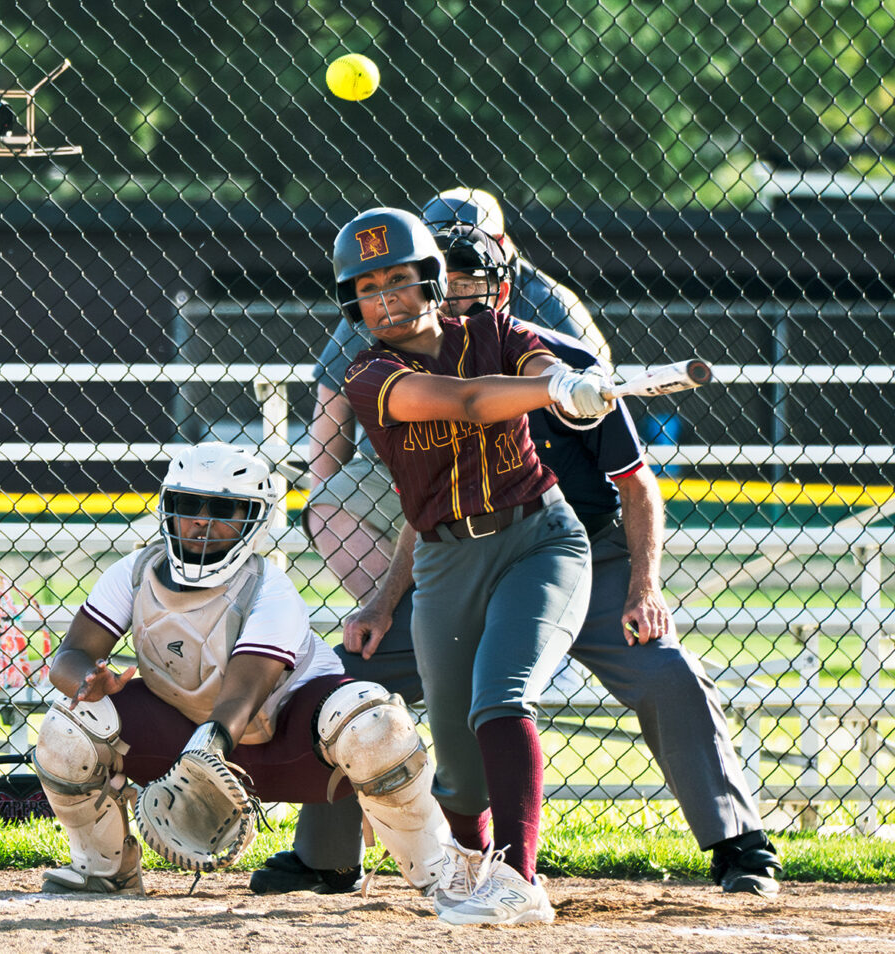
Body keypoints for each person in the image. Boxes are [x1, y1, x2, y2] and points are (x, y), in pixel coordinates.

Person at [253, 222, 782, 908]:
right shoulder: (383, 371)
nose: (462, 307)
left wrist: (644, 587)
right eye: (455, 291)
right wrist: (384, 604)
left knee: (666, 671)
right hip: (456, 559)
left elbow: (635, 484)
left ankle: (739, 844)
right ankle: (327, 859)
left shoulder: (550, 354)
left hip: (579, 551)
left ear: (504, 292)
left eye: (476, 290)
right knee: (352, 677)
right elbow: (432, 500)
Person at [306, 206, 613, 926]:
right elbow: (470, 400)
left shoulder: (494, 332)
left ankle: (519, 881)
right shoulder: (370, 374)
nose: (385, 299)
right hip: (443, 559)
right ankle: (475, 873)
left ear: (433, 283)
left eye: (401, 281)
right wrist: (547, 391)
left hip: (538, 539)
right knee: (457, 756)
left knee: (500, 698)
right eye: (368, 288)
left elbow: (535, 358)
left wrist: (561, 383)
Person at [32, 442, 457, 901]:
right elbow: (71, 655)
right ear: (167, 507)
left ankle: (443, 877)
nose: (202, 521)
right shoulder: (134, 572)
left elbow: (245, 690)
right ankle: (104, 869)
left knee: (374, 724)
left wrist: (203, 756)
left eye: (225, 510)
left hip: (295, 751)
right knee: (68, 725)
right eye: (189, 505)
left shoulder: (270, 587)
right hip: (189, 737)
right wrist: (86, 681)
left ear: (255, 520)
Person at [420, 187, 611, 362]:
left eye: (463, 246)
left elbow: (595, 373)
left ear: (499, 242)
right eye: (438, 246)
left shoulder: (548, 302)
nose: (448, 254)